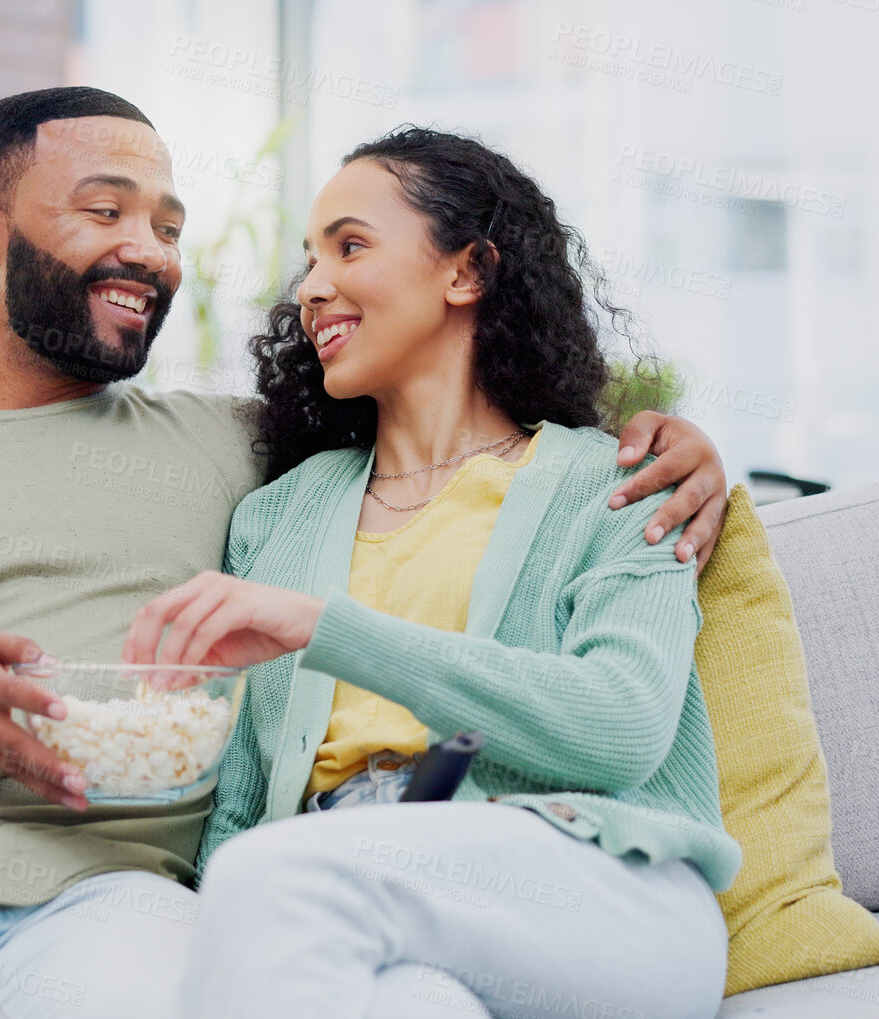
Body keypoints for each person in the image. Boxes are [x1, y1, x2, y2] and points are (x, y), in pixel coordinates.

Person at [0, 89, 730, 1019]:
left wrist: (685, 452)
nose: (150, 251)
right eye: (105, 210)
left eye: (167, 224)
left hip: (119, 894)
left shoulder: (237, 451)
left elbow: (473, 457)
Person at [123, 127, 740, 1019]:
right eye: (309, 259)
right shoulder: (277, 518)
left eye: (351, 245)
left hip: (600, 888)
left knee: (279, 877)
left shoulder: (622, 482)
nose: (312, 287)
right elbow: (243, 812)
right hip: (363, 898)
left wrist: (322, 627)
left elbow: (620, 724)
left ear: (467, 271)